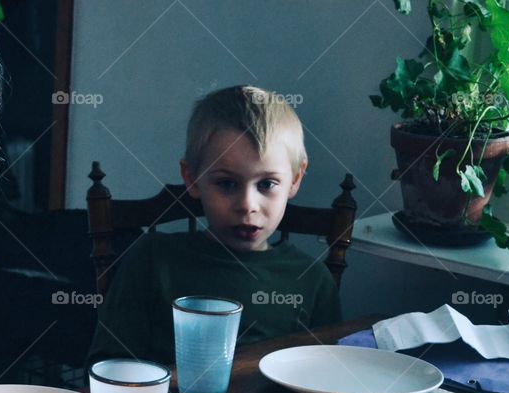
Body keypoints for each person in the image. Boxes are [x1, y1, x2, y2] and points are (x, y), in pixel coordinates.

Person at [88, 85, 341, 365]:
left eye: (266, 184)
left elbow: (324, 377)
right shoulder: (153, 260)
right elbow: (109, 365)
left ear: (295, 179)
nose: (247, 205)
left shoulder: (311, 279)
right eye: (226, 184)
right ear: (192, 178)